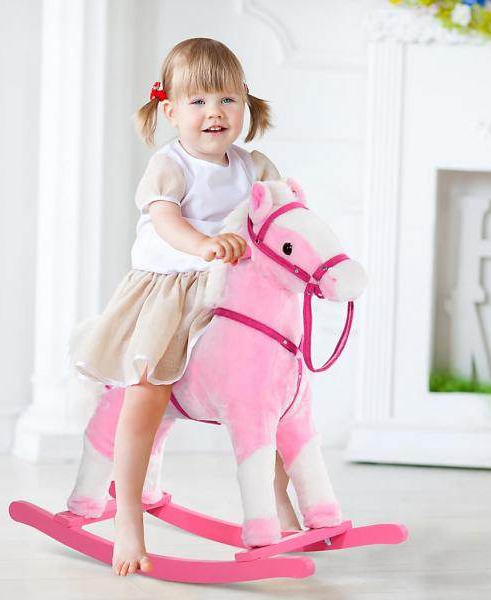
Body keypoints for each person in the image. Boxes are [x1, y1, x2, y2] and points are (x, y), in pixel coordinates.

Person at [73, 37, 301, 577]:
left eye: (226, 99)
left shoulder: (254, 165)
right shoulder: (170, 165)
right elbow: (166, 220)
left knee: (269, 395)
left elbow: (282, 216)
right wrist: (204, 245)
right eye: (197, 101)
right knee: (147, 394)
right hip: (171, 293)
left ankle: (278, 501)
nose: (214, 112)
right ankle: (127, 517)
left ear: (245, 103)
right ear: (170, 111)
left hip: (232, 296)